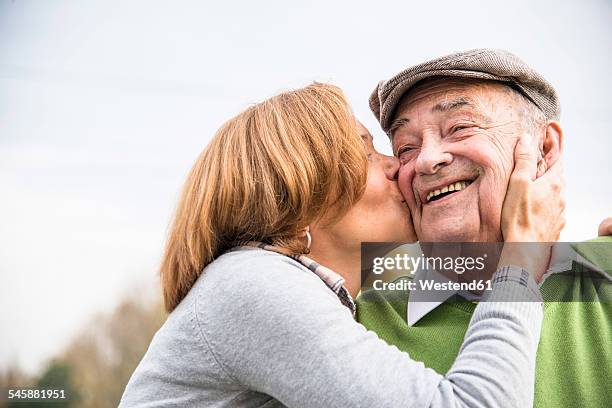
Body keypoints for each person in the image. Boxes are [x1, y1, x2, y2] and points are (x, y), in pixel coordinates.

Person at [120, 83, 564, 407]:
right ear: (299, 201)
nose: (402, 166)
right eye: (369, 155)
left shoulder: (289, 292)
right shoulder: (253, 286)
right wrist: (523, 252)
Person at [358, 49, 612, 408]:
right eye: (405, 148)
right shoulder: (352, 321)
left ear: (545, 148)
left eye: (460, 128)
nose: (428, 160)